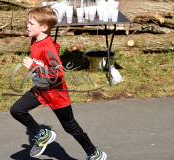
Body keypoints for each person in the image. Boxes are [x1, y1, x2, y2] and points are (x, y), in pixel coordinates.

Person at [10, 6, 107, 160]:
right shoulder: (35, 40)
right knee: (17, 110)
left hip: (57, 94)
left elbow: (58, 74)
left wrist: (34, 67)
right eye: (27, 22)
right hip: (41, 89)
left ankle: (94, 153)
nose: (27, 25)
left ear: (43, 27)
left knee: (70, 127)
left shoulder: (48, 47)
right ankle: (42, 134)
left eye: (30, 23)